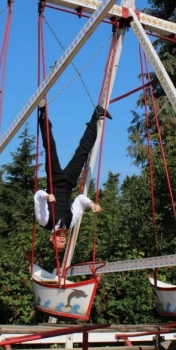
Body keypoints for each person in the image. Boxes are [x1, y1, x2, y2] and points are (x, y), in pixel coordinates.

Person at [34, 102, 112, 252]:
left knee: (50, 148)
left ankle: (43, 115)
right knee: (83, 152)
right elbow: (80, 200)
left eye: (59, 241)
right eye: (63, 241)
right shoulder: (70, 223)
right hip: (69, 182)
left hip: (54, 180)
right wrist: (91, 205)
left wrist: (46, 196)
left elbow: (37, 196)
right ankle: (96, 116)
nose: (62, 239)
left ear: (51, 237)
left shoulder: (44, 221)